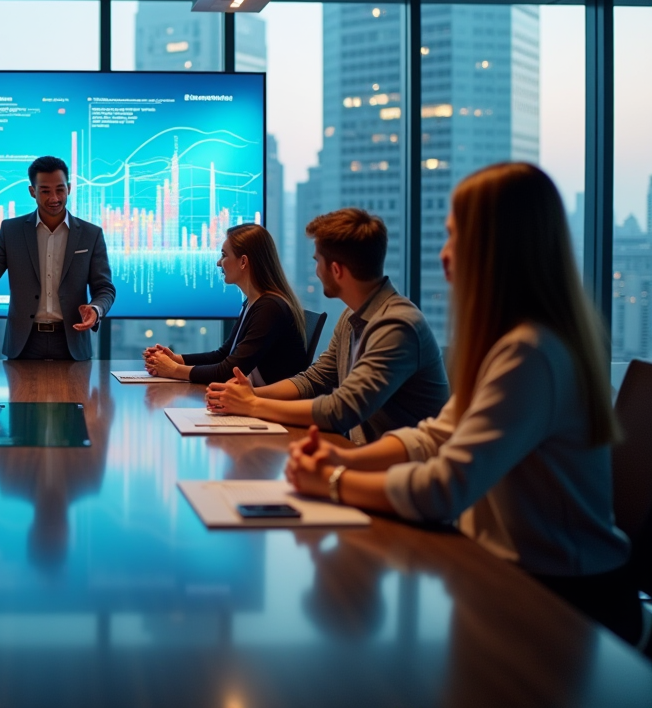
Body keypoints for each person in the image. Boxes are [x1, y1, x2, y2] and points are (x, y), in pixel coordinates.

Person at [284, 163, 641, 644]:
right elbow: (433, 436)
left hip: (564, 602)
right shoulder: (512, 342)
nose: (443, 253)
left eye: (454, 236)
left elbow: (444, 489)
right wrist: (344, 456)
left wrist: (333, 481)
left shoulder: (531, 352)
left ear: (497, 246)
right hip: (515, 577)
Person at [206, 208, 448, 444]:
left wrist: (253, 404)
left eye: (317, 261)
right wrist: (251, 395)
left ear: (336, 269)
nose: (316, 271)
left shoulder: (398, 326)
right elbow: (315, 379)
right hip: (364, 455)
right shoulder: (350, 317)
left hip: (402, 471)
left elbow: (341, 409)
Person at [0, 155, 116, 360]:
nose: (54, 198)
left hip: (72, 342)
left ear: (69, 188)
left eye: (60, 189)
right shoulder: (11, 231)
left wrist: (96, 309)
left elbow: (104, 288)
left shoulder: (90, 234)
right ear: (32, 192)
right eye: (45, 191)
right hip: (24, 343)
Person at [143, 223, 309, 385]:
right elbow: (224, 355)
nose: (218, 263)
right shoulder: (254, 303)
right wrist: (177, 360)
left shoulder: (269, 307)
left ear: (243, 262)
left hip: (270, 407)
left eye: (224, 255)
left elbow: (228, 371)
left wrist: (173, 370)